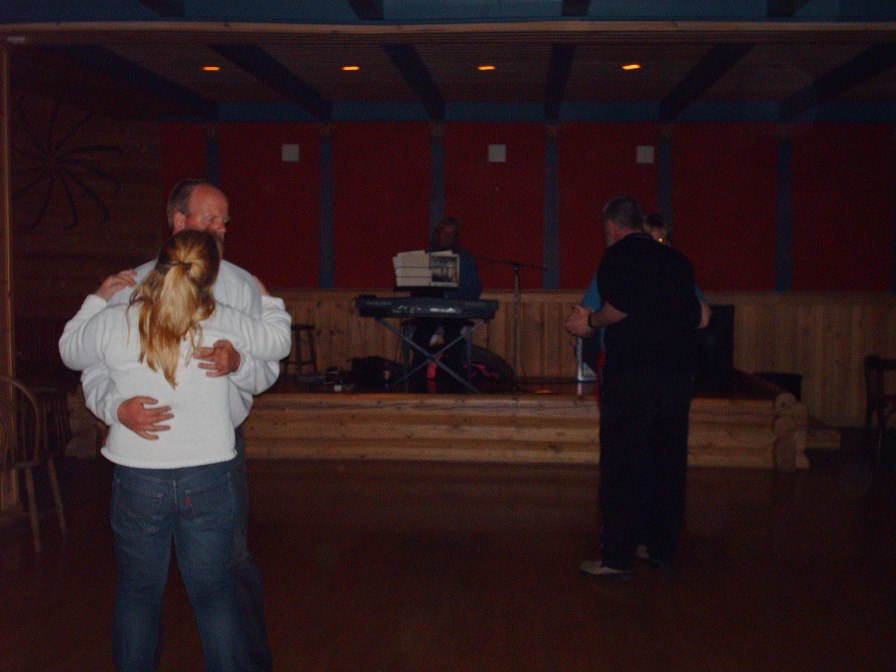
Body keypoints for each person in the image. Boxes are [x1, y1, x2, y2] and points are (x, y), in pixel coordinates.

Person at [60, 179, 282, 671]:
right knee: (199, 590)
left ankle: (253, 660)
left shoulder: (241, 285)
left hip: (218, 450)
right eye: (210, 219)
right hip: (160, 454)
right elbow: (93, 370)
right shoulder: (131, 285)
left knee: (231, 567)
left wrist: (238, 365)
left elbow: (266, 370)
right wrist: (116, 408)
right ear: (179, 222)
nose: (221, 229)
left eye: (225, 221)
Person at [565, 196, 707, 581]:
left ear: (612, 226)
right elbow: (703, 316)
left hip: (633, 375)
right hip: (677, 376)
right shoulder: (677, 260)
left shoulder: (618, 256)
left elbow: (619, 307)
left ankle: (616, 558)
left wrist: (591, 322)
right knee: (667, 462)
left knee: (623, 465)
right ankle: (659, 548)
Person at [408, 215, 482, 392]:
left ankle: (458, 384)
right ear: (437, 234)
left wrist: (458, 297)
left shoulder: (465, 258)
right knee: (419, 337)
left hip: (455, 312)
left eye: (452, 234)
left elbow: (475, 290)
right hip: (429, 312)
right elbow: (415, 290)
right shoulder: (426, 257)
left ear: (456, 237)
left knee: (454, 339)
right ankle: (415, 384)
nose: (447, 237)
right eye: (444, 233)